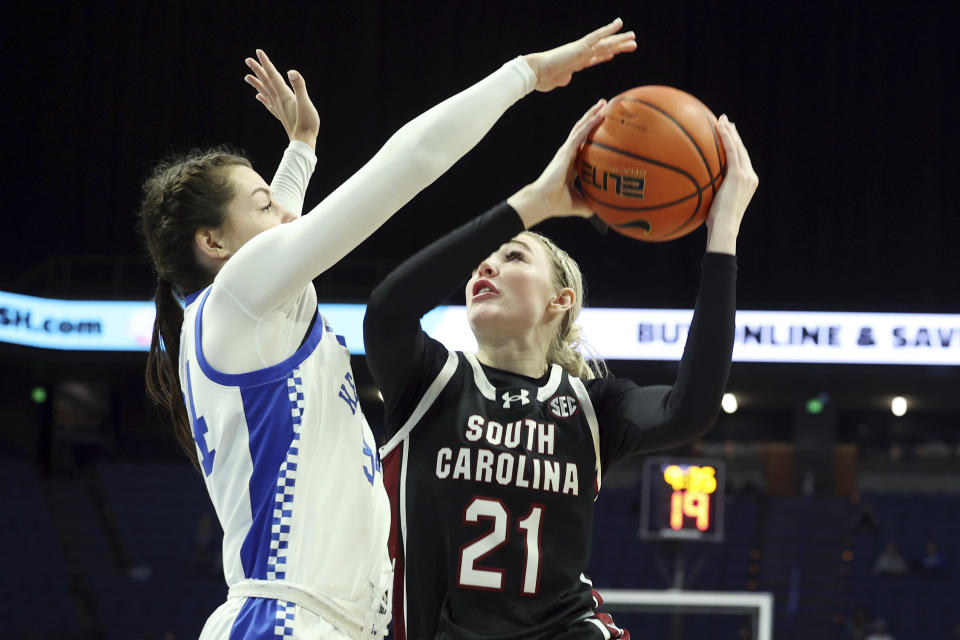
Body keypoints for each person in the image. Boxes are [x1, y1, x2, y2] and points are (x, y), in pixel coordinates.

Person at [138, 22, 636, 640]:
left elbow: (289, 225)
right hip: (291, 621)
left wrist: (302, 148)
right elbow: (410, 162)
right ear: (212, 244)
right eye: (264, 205)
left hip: (327, 622)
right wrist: (524, 74)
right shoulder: (239, 297)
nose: (288, 214)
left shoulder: (235, 311)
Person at [364, 95, 758, 636]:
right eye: (487, 257)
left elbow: (689, 410)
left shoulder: (591, 407)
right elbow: (389, 309)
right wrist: (531, 204)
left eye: (515, 256)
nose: (487, 264)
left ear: (560, 301)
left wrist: (723, 235)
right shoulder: (429, 382)